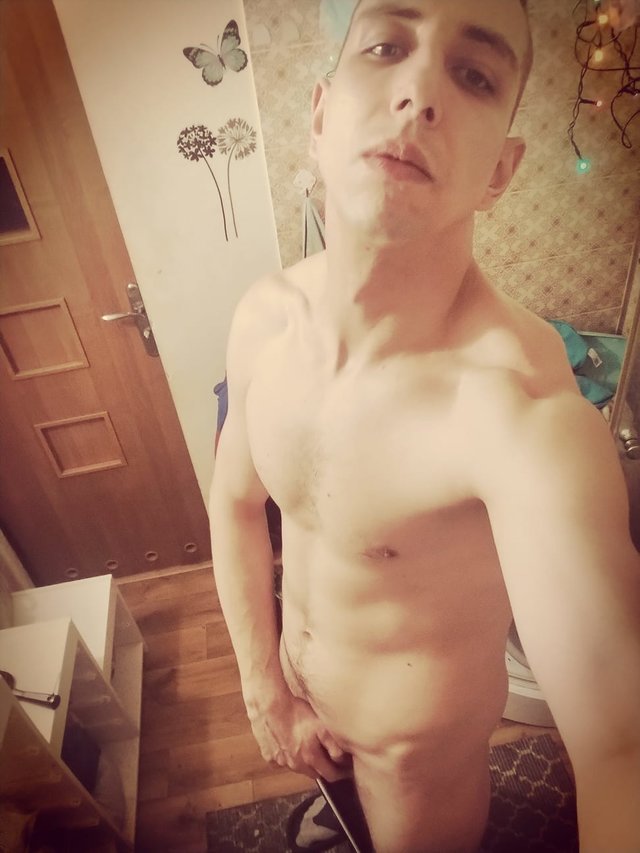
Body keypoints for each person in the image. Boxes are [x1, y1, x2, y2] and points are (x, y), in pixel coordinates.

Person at [210, 0, 640, 850]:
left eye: (473, 75)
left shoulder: (520, 413)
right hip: (301, 702)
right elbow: (234, 503)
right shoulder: (263, 319)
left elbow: (622, 747)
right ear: (321, 117)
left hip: (416, 772)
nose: (418, 92)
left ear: (499, 173)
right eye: (385, 47)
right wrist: (265, 690)